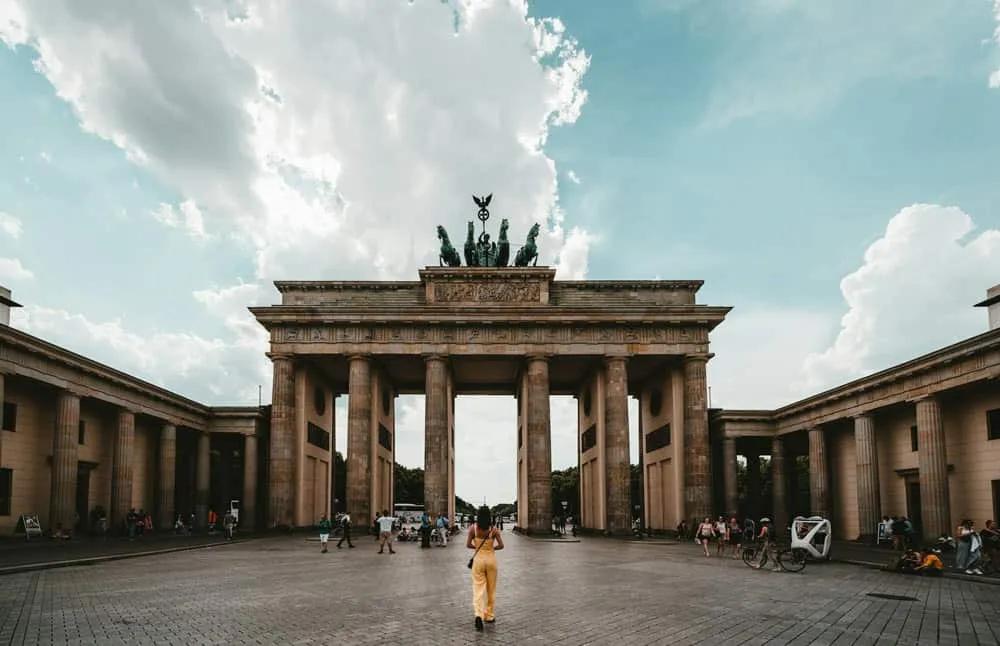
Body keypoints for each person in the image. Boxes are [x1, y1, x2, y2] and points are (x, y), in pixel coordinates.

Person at [468, 505, 504, 632]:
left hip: (478, 561)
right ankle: (489, 615)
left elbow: (468, 544)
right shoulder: (494, 529)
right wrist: (491, 548)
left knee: (478, 588)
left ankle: (478, 614)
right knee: (491, 589)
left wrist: (478, 547)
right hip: (491, 560)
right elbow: (501, 545)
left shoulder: (473, 528)